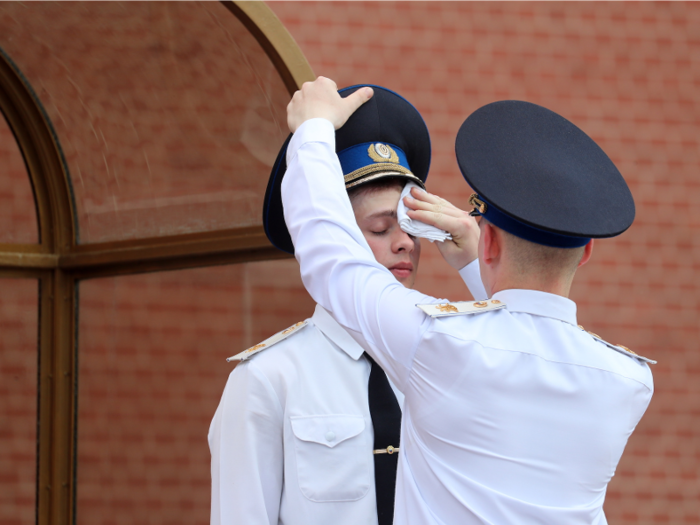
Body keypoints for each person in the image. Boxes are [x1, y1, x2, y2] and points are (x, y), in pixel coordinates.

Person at [279, 77, 655, 524]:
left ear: (488, 240)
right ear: (587, 253)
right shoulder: (628, 381)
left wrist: (314, 131)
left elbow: (333, 261)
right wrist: (481, 265)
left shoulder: (440, 344)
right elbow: (525, 341)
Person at [208, 85, 485, 525]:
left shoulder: (444, 354)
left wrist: (476, 263)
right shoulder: (269, 378)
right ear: (334, 240)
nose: (405, 244)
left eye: (413, 229)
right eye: (380, 228)